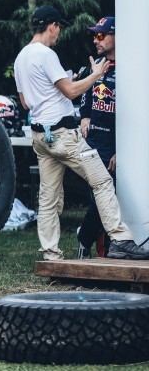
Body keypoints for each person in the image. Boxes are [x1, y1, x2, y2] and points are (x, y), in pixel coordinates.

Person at [13, 5, 149, 260]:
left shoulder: (21, 57)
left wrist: (63, 85)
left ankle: (50, 254)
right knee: (102, 181)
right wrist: (95, 75)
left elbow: (25, 103)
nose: (58, 33)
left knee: (48, 197)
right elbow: (72, 92)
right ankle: (120, 240)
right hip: (63, 135)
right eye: (59, 28)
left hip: (41, 137)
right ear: (51, 25)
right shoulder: (46, 54)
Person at [76, 17, 117, 258]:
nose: (95, 40)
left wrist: (123, 150)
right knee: (99, 199)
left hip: (116, 145)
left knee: (112, 200)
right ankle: (87, 243)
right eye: (94, 35)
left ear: (115, 36)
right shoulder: (96, 64)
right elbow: (86, 91)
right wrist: (84, 116)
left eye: (100, 35)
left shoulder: (132, 67)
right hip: (94, 144)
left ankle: (86, 237)